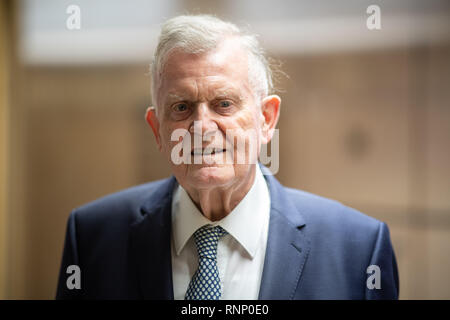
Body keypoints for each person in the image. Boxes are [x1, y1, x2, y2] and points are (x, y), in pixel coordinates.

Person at [56, 14, 399, 300]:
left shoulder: (357, 250)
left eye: (224, 104)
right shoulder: (93, 238)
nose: (202, 127)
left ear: (266, 119)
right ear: (156, 129)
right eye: (181, 107)